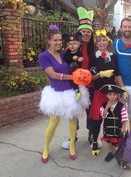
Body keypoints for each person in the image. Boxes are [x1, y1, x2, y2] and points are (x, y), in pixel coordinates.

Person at [38, 24, 90, 163]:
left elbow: (76, 63)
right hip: (56, 94)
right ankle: (45, 148)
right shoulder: (43, 56)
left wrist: (80, 73)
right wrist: (73, 77)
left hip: (71, 92)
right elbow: (53, 75)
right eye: (55, 40)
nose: (58, 43)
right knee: (53, 123)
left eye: (60, 40)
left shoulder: (64, 54)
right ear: (49, 41)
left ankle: (72, 146)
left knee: (73, 120)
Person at [62, 7, 102, 149]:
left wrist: (93, 70)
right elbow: (65, 61)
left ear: (91, 34)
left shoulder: (93, 48)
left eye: (88, 32)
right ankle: (73, 136)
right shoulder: (72, 47)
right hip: (74, 84)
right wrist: (71, 65)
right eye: (83, 32)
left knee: (90, 111)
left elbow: (97, 64)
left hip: (90, 84)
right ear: (79, 33)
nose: (86, 34)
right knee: (74, 110)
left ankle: (92, 136)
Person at [89, 29, 124, 156]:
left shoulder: (113, 56)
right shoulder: (94, 56)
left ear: (107, 41)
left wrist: (123, 88)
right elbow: (90, 77)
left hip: (112, 93)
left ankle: (114, 142)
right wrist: (100, 74)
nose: (102, 42)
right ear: (96, 44)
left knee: (114, 118)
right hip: (99, 91)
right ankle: (94, 143)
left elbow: (118, 73)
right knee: (97, 119)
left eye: (104, 40)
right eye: (99, 41)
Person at [113, 18, 131, 132]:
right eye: (124, 27)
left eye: (129, 27)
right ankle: (121, 137)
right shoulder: (115, 43)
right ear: (121, 28)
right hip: (119, 84)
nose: (127, 29)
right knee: (121, 112)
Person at [99, 84, 128, 162]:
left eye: (114, 94)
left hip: (118, 129)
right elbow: (103, 115)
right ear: (106, 95)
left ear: (118, 95)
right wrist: (107, 107)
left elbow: (124, 117)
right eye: (110, 94)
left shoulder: (121, 105)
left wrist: (123, 127)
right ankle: (111, 153)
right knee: (110, 143)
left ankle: (119, 153)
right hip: (108, 130)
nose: (112, 96)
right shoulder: (103, 106)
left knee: (118, 142)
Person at [63, 33, 83, 100]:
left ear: (78, 45)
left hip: (77, 71)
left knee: (75, 81)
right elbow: (65, 58)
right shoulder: (67, 53)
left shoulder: (79, 52)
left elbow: (81, 59)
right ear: (67, 45)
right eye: (70, 44)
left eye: (74, 44)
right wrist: (72, 58)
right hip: (69, 71)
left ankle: (77, 92)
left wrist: (79, 59)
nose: (72, 46)